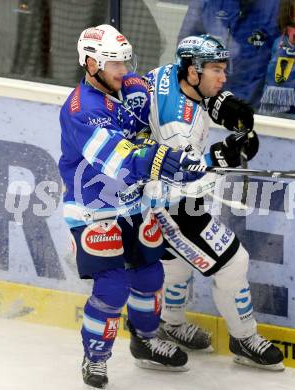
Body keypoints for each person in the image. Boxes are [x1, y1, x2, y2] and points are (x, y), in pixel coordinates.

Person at [58, 24, 203, 389]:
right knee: (112, 288)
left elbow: (176, 88)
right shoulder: (81, 110)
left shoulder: (132, 86)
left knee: (149, 276)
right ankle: (95, 358)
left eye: (126, 62)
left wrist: (189, 158)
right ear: (91, 64)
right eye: (115, 64)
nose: (124, 71)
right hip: (94, 208)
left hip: (134, 204)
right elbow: (118, 160)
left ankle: (146, 340)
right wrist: (164, 160)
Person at [143, 34, 285, 371]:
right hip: (165, 202)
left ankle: (171, 324)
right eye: (216, 70)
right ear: (193, 71)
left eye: (224, 69)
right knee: (235, 262)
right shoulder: (177, 126)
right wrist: (225, 158)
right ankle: (244, 337)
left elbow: (199, 96)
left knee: (175, 263)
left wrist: (222, 102)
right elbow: (186, 181)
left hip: (148, 191)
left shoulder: (169, 73)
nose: (223, 78)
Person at [177, 0, 281, 108]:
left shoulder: (276, 7)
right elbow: (186, 51)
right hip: (208, 103)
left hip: (256, 108)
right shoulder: (207, 3)